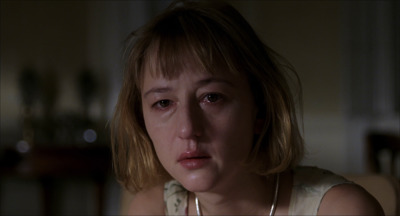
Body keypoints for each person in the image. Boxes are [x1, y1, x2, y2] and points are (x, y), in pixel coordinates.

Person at [111, 0, 384, 215]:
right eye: (163, 103)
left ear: (260, 110)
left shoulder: (342, 211)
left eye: (212, 97)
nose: (187, 129)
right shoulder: (151, 210)